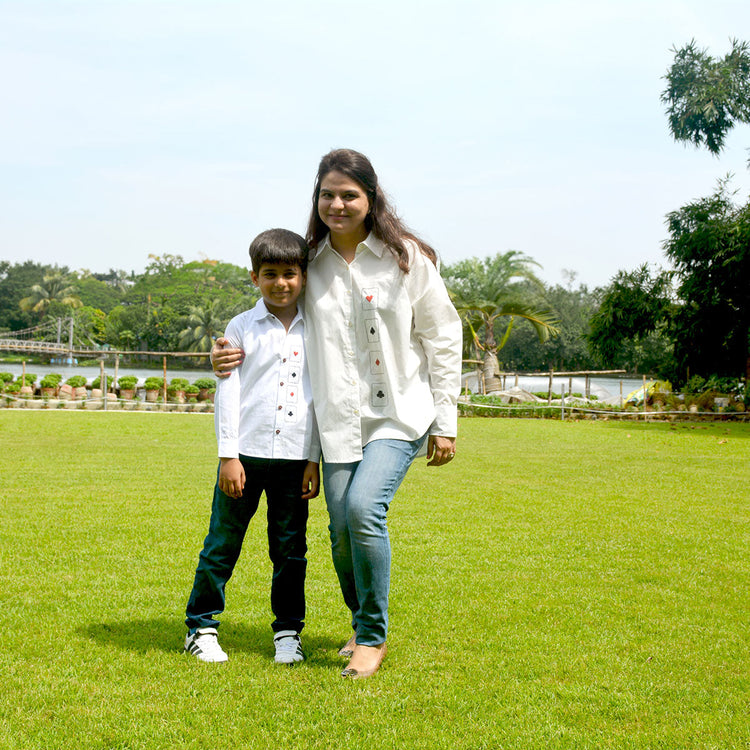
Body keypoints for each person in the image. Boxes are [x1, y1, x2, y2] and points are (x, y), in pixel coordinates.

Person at [212, 149, 462, 678]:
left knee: (364, 509)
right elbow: (272, 316)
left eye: (349, 194)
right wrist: (225, 351)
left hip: (400, 413)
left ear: (371, 198)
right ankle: (359, 622)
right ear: (317, 199)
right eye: (328, 194)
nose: (338, 204)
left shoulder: (407, 257)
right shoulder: (311, 262)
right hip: (338, 420)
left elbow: (443, 337)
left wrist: (446, 422)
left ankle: (373, 636)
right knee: (340, 528)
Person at [184, 228, 320, 665]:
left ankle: (287, 633)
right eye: (270, 274)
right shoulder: (241, 327)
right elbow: (229, 392)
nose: (281, 283)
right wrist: (228, 455)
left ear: (303, 276)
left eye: (290, 274)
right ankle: (201, 627)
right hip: (244, 456)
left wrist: (313, 459)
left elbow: (321, 397)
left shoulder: (317, 329)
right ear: (254, 277)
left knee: (290, 550)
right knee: (222, 543)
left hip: (295, 458)